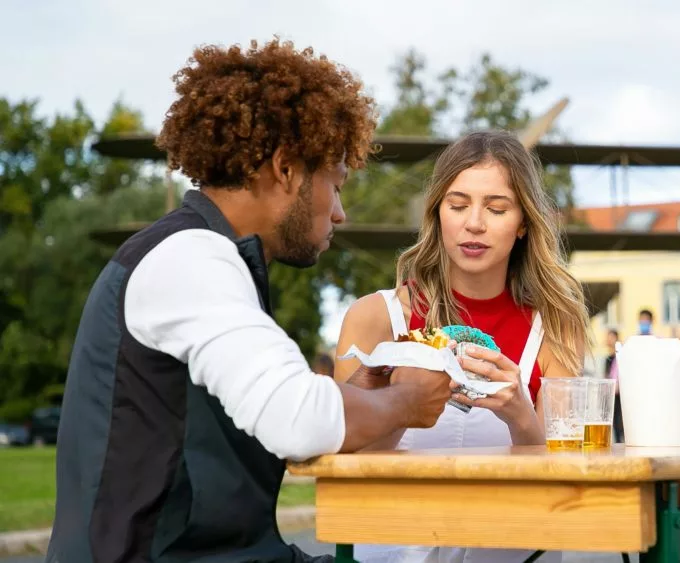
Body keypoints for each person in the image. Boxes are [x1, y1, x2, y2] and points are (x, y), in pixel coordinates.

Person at [46, 39, 454, 563]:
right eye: (336, 184)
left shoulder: (200, 254)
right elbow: (299, 422)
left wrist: (353, 397)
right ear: (286, 168)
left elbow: (273, 406)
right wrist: (406, 403)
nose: (340, 213)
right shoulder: (191, 257)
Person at [335, 130, 590, 563]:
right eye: (457, 205)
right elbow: (344, 464)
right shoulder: (374, 317)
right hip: (394, 548)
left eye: (496, 208)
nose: (474, 223)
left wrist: (520, 416)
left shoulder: (556, 326)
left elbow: (565, 483)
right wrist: (401, 401)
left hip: (515, 549)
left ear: (524, 222)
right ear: (437, 214)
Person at [605, 329, 625, 443]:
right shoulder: (608, 358)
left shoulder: (620, 356)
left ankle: (620, 442)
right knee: (613, 422)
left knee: (619, 422)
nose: (608, 340)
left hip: (619, 395)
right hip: (612, 394)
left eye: (611, 337)